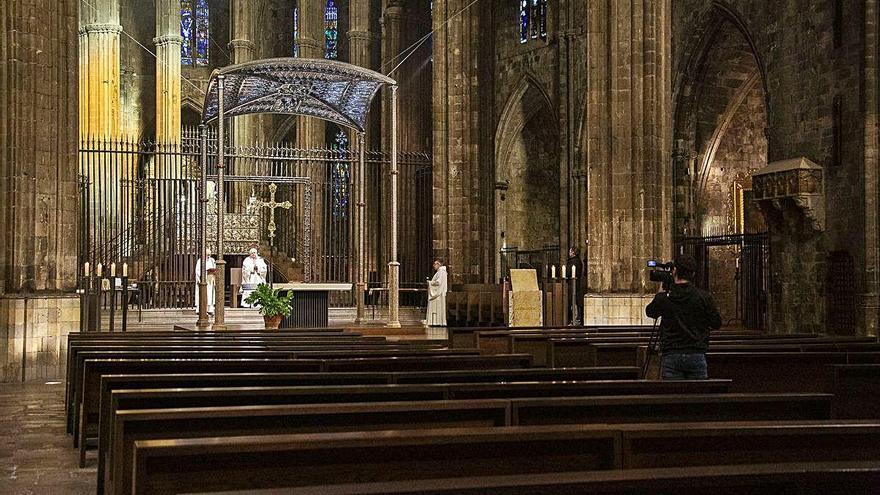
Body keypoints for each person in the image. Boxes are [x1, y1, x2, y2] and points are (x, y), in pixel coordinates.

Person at [645, 254, 722, 380]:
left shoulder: (664, 298)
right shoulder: (703, 297)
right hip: (696, 354)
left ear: (674, 271)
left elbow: (650, 312)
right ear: (692, 274)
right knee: (698, 397)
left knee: (673, 397)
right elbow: (716, 323)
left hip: (671, 356)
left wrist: (662, 289)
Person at [424, 259, 448, 326]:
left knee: (437, 308)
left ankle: (436, 322)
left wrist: (429, 282)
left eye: (435, 264)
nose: (434, 265)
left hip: (438, 295)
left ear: (439, 264)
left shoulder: (441, 272)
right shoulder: (440, 272)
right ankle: (435, 322)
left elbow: (438, 283)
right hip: (439, 295)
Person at [195, 249, 216, 315]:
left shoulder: (212, 260)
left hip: (210, 280)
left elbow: (215, 268)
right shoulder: (200, 261)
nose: (208, 256)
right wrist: (203, 274)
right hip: (203, 280)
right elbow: (198, 271)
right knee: (203, 294)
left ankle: (210, 309)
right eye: (207, 255)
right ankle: (200, 309)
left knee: (210, 295)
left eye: (209, 255)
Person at [567, 246, 585, 325]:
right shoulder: (578, 261)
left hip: (573, 284)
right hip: (577, 284)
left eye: (570, 251)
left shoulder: (572, 262)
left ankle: (575, 319)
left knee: (573, 302)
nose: (569, 253)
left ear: (573, 252)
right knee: (576, 303)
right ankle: (576, 319)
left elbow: (568, 273)